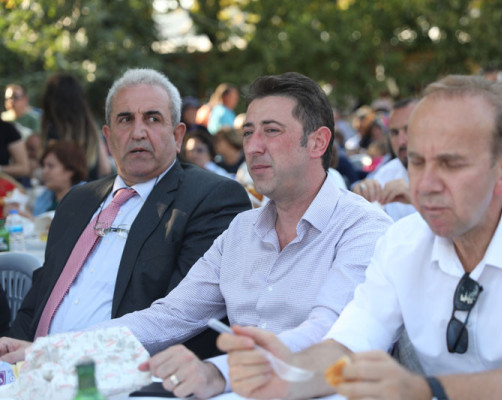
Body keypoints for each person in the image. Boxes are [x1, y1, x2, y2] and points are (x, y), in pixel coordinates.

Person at [219, 75, 502, 400]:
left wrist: (424, 389)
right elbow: (346, 347)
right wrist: (282, 371)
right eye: (416, 162)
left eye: (451, 163)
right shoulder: (401, 241)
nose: (427, 184)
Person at [86, 72, 392, 399]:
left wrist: (219, 372)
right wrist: (69, 346)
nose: (253, 147)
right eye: (248, 132)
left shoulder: (364, 229)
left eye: (271, 131)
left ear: (317, 142)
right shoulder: (241, 230)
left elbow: (330, 336)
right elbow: (170, 316)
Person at [0, 68, 251, 360]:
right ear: (108, 137)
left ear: (177, 135)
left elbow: (177, 322)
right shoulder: (77, 201)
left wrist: (51, 354)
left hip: (118, 373)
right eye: (125, 119)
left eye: (153, 118)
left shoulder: (211, 199)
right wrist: (11, 353)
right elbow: (37, 301)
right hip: (30, 370)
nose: (138, 132)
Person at [353, 99, 418, 220]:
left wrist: (417, 199)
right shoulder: (386, 173)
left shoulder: (449, 172)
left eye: (408, 130)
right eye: (394, 133)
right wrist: (361, 193)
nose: (401, 141)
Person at [41, 73, 112, 180]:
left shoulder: (54, 131)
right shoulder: (91, 127)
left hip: (67, 190)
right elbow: (105, 168)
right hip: (93, 188)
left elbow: (49, 173)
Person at [32, 140, 88, 216]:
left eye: (50, 166)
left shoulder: (84, 200)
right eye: (43, 166)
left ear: (70, 170)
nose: (44, 171)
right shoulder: (46, 196)